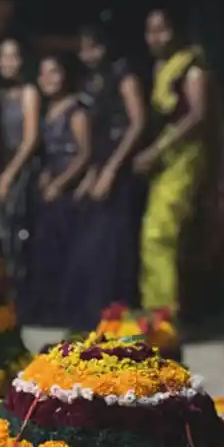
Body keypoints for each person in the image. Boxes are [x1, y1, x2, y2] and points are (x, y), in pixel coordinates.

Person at [133, 9, 224, 319]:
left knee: (158, 233)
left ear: (175, 31)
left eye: (161, 30)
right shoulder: (160, 67)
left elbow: (197, 115)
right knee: (152, 233)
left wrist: (157, 150)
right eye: (149, 31)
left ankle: (164, 315)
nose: (154, 38)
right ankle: (154, 308)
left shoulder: (191, 68)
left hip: (184, 158)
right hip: (164, 162)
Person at [71, 24, 147, 324]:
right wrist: (93, 172)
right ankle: (97, 313)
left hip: (122, 166)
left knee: (117, 243)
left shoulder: (123, 74)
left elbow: (137, 123)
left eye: (94, 47)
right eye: (83, 49)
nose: (88, 54)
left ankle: (120, 313)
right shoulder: (92, 81)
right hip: (101, 162)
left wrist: (112, 170)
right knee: (96, 242)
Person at [23, 54, 92, 327]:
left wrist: (61, 183)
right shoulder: (48, 109)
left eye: (54, 72)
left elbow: (84, 153)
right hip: (51, 183)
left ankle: (68, 310)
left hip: (71, 186)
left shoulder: (76, 109)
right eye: (43, 74)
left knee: (67, 251)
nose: (48, 79)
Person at [0, 35, 41, 285]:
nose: (7, 62)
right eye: (3, 56)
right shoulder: (2, 93)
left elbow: (30, 139)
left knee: (18, 230)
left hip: (24, 166)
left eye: (13, 56)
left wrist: (9, 175)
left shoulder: (29, 92)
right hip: (5, 164)